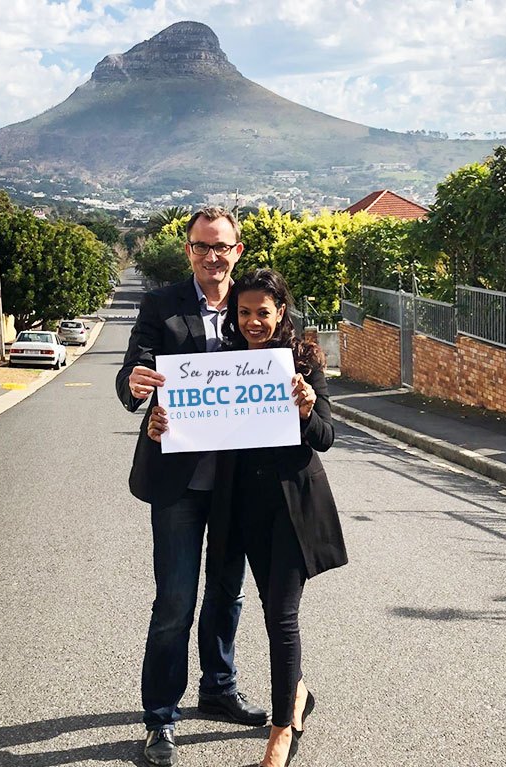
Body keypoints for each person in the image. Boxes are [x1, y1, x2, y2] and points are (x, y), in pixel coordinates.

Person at [148, 269, 348, 766]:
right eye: (243, 312)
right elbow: (194, 419)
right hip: (238, 508)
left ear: (281, 311)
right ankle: (290, 694)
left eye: (263, 312)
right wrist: (162, 424)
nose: (253, 321)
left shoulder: (303, 361)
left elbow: (326, 436)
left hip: (290, 510)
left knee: (281, 617)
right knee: (230, 599)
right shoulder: (223, 362)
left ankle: (281, 733)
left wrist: (306, 411)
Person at [116, 207, 267, 767]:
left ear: (237, 251)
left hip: (236, 481)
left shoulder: (254, 307)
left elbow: (281, 365)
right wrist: (137, 388)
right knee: (175, 601)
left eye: (221, 246)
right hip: (177, 482)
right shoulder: (161, 305)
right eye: (202, 246)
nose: (212, 256)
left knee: (227, 593)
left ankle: (218, 688)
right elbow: (133, 370)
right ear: (189, 251)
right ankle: (160, 717)